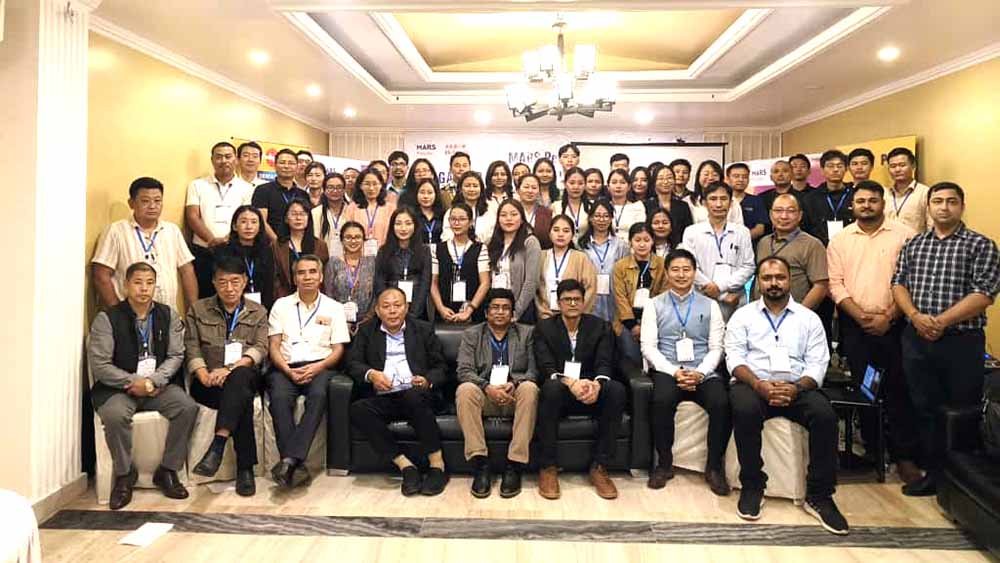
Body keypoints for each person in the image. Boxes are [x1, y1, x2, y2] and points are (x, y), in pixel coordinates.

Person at [891, 182, 1000, 496]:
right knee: (924, 408)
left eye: (951, 202)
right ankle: (934, 475)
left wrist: (941, 321)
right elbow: (898, 283)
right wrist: (914, 316)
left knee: (961, 410)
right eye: (937, 201)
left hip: (960, 341)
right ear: (928, 207)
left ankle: (960, 482)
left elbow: (984, 293)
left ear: (962, 206)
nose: (944, 207)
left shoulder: (981, 245)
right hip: (916, 338)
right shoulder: (915, 244)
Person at [725, 257, 846, 535]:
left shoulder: (809, 318)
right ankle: (753, 485)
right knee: (744, 410)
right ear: (758, 283)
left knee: (825, 416)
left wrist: (797, 388)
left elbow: (818, 363)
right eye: (767, 278)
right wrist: (758, 385)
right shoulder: (743, 316)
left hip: (798, 387)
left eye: (779, 277)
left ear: (790, 280)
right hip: (755, 384)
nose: (774, 283)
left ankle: (819, 495)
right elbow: (734, 358)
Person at [827, 181, 921, 484]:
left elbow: (913, 281)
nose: (866, 205)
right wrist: (860, 316)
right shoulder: (841, 239)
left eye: (872, 200)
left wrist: (890, 316)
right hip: (856, 326)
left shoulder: (905, 235)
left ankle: (904, 455)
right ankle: (873, 450)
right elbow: (835, 284)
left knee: (899, 389)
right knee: (864, 390)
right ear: (852, 206)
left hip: (896, 324)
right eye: (861, 201)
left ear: (883, 204)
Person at [87, 262, 198, 510]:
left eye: (149, 283)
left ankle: (167, 470)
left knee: (187, 408)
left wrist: (152, 382)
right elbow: (101, 365)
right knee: (114, 415)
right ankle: (125, 474)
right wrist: (133, 382)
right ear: (126, 285)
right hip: (118, 388)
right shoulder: (107, 318)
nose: (144, 288)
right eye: (138, 282)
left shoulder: (168, 315)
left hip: (157, 386)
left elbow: (176, 355)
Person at [641, 249, 729, 494]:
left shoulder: (710, 305)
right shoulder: (654, 305)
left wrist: (700, 373)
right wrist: (674, 372)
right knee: (661, 400)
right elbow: (648, 347)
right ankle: (664, 464)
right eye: (675, 270)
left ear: (694, 272)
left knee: (721, 402)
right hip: (668, 369)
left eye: (686, 269)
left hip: (703, 370)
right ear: (667, 273)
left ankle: (714, 467)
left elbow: (717, 347)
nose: (681, 275)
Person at [347, 288, 450, 496]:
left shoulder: (422, 329)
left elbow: (441, 367)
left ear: (406, 308)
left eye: (397, 305)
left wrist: (427, 380)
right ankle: (406, 466)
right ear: (377, 311)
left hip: (418, 394)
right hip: (386, 396)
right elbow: (352, 363)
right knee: (358, 409)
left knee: (413, 396)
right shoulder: (367, 331)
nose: (392, 311)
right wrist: (371, 375)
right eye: (386, 306)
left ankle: (437, 465)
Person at [534, 280, 627, 500]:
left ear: (584, 302)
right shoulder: (544, 328)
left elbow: (605, 361)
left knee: (616, 390)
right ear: (559, 303)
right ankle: (548, 467)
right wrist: (571, 383)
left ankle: (600, 466)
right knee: (550, 388)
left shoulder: (600, 326)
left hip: (590, 388)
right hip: (562, 389)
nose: (573, 303)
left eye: (577, 299)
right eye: (567, 299)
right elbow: (546, 366)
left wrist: (597, 384)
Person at [266, 254, 350, 487]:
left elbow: (338, 349)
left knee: (319, 395)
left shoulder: (334, 308)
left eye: (313, 272)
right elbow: (273, 346)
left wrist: (318, 367)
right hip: (286, 366)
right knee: (279, 398)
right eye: (301, 273)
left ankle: (289, 461)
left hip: (321, 365)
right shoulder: (281, 305)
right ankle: (295, 463)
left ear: (321, 276)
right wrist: (287, 370)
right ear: (294, 278)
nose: (307, 277)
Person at [187, 257, 268, 496]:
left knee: (240, 378)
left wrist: (230, 369)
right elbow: (191, 346)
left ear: (244, 281)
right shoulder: (198, 310)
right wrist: (203, 374)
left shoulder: (258, 311)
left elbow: (261, 347)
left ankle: (218, 444)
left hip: (243, 374)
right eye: (223, 282)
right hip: (208, 382)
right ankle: (245, 469)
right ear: (214, 282)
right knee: (240, 400)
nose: (229, 288)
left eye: (235, 281)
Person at [455, 288, 539, 498]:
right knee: (465, 390)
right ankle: (480, 464)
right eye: (495, 308)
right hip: (485, 396)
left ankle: (515, 464)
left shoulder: (527, 333)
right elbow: (464, 371)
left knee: (530, 388)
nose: (500, 312)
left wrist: (515, 383)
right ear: (486, 312)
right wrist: (486, 387)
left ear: (513, 313)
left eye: (505, 308)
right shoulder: (472, 334)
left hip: (514, 396)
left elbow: (533, 371)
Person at [92, 177, 197, 312]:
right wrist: (118, 314)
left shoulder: (172, 230)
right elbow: (101, 275)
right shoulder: (116, 231)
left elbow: (187, 271)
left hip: (166, 315)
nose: (152, 206)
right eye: (145, 201)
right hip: (129, 315)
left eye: (157, 201)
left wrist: (193, 312)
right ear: (131, 203)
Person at [186, 142, 255, 298]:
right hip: (204, 251)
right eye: (219, 157)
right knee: (206, 296)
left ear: (236, 160)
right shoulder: (197, 185)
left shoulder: (247, 188)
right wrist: (211, 240)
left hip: (235, 250)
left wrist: (229, 239)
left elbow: (247, 218)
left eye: (228, 156)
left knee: (233, 295)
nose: (224, 161)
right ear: (212, 160)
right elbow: (192, 216)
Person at [681, 182, 755, 320]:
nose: (719, 204)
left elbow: (749, 266)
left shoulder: (742, 232)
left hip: (735, 299)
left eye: (723, 199)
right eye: (713, 199)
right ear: (704, 203)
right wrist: (720, 294)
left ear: (731, 203)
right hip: (702, 298)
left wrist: (720, 287)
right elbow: (689, 267)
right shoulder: (691, 232)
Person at [754, 194, 829, 310]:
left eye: (790, 211)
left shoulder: (812, 244)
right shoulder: (763, 242)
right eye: (778, 211)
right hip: (760, 314)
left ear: (800, 215)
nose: (784, 216)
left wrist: (799, 315)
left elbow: (821, 286)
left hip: (795, 314)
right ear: (770, 214)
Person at [613, 222, 668, 364]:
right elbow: (620, 297)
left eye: (646, 240)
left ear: (652, 241)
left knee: (655, 360)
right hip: (627, 322)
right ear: (630, 242)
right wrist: (633, 325)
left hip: (654, 321)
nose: (642, 244)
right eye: (637, 240)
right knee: (631, 359)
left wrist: (648, 322)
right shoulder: (620, 266)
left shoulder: (662, 264)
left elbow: (664, 295)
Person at [431, 202, 490, 324]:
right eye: (453, 219)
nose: (457, 223)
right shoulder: (437, 248)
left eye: (462, 219)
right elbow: (433, 283)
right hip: (444, 312)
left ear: (470, 222)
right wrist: (441, 308)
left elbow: (485, 283)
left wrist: (470, 309)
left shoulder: (480, 248)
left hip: (472, 312)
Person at [373, 207, 432, 320]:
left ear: (415, 226)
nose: (403, 228)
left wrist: (413, 313)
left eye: (408, 223)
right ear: (392, 226)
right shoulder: (383, 251)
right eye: (398, 224)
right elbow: (379, 282)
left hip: (417, 310)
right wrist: (389, 308)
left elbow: (425, 283)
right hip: (390, 310)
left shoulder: (424, 251)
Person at [489, 200, 542, 324]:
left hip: (521, 309)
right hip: (496, 308)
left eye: (514, 214)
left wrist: (516, 312)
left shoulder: (530, 242)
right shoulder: (493, 243)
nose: (509, 219)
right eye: (503, 215)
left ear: (522, 219)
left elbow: (531, 282)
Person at [536, 215, 598, 320]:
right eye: (556, 230)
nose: (560, 234)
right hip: (545, 316)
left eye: (566, 231)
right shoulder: (541, 256)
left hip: (574, 317)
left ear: (572, 235)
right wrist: (542, 311)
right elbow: (535, 290)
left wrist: (576, 311)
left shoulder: (581, 258)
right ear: (549, 233)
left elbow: (590, 289)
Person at [214, 205, 276, 310]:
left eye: (254, 222)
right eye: (243, 222)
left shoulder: (266, 251)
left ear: (260, 226)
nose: (249, 226)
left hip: (262, 306)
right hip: (231, 305)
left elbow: (269, 283)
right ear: (234, 226)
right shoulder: (223, 251)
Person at [579, 200, 629, 322]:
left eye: (606, 216)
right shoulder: (581, 245)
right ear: (590, 218)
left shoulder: (621, 245)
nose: (601, 220)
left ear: (611, 218)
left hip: (614, 297)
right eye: (597, 216)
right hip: (589, 297)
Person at [323, 222, 376, 331]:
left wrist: (366, 321)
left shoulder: (372, 262)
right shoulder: (333, 263)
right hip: (338, 323)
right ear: (342, 240)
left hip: (368, 324)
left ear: (363, 240)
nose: (353, 241)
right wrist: (341, 322)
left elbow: (376, 295)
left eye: (357, 237)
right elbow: (328, 294)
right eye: (348, 237)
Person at [273, 200, 329, 299]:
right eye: (294, 214)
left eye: (303, 214)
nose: (298, 218)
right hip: (285, 299)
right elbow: (275, 278)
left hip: (314, 298)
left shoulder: (320, 245)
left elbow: (324, 277)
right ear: (286, 218)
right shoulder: (277, 246)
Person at [252, 148, 310, 241]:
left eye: (291, 163)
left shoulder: (303, 194)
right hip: (270, 244)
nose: (286, 166)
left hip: (298, 244)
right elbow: (261, 220)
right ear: (275, 165)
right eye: (282, 162)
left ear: (296, 167)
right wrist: (277, 242)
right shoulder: (263, 190)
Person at [802, 149, 854, 246]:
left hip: (851, 246)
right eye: (830, 166)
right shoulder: (810, 198)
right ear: (822, 170)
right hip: (820, 248)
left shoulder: (854, 195)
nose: (835, 169)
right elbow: (806, 229)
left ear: (846, 169)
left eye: (839, 166)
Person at [644, 165, 693, 248]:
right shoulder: (646, 205)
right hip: (651, 249)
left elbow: (689, 231)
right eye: (661, 178)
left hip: (678, 248)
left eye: (669, 178)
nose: (665, 182)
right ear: (654, 182)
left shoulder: (683, 206)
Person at [884, 147, 930, 233]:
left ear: (913, 166)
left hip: (914, 241)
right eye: (893, 166)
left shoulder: (925, 193)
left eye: (902, 165)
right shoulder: (884, 194)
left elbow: (931, 227)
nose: (897, 170)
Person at [349, 168, 396, 252]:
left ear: (381, 185)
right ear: (360, 186)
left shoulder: (391, 208)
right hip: (358, 254)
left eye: (375, 184)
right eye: (367, 184)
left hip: (385, 254)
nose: (371, 188)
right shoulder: (352, 208)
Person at [442, 171, 496, 243]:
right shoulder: (452, 212)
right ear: (460, 189)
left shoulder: (490, 210)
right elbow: (447, 236)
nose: (471, 189)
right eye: (467, 186)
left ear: (481, 189)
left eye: (475, 186)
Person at [312, 172, 354, 259]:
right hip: (323, 259)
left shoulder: (352, 210)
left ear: (344, 190)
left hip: (348, 258)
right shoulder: (315, 212)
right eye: (330, 187)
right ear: (324, 190)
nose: (335, 191)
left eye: (339, 187)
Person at [726, 163, 767, 241]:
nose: (741, 179)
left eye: (744, 177)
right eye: (736, 176)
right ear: (727, 179)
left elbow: (760, 229)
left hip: (749, 244)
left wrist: (740, 240)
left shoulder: (756, 200)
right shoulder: (721, 201)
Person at [606, 169, 646, 242]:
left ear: (629, 187)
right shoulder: (603, 208)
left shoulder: (637, 207)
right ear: (608, 186)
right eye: (614, 182)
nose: (618, 186)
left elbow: (640, 232)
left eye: (622, 182)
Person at [550, 167, 590, 238]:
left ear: (585, 185)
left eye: (580, 183)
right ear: (565, 184)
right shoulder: (555, 206)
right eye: (572, 183)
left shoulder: (591, 207)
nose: (576, 187)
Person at [516, 173, 553, 249]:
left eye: (534, 188)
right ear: (518, 190)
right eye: (526, 187)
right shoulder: (511, 211)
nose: (530, 191)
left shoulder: (547, 213)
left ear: (539, 191)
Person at [413, 179, 445, 246]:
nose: (426, 196)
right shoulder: (412, 215)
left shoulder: (443, 215)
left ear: (436, 194)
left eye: (430, 193)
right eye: (422, 192)